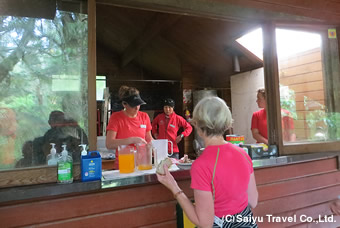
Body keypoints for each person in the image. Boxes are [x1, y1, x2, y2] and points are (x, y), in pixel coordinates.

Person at [157, 96, 258, 227]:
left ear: (198, 125)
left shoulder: (201, 165)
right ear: (226, 122)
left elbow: (205, 223)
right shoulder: (243, 154)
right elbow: (253, 201)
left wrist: (174, 187)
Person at [106, 85, 153, 169]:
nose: (137, 108)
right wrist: (133, 140)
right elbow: (109, 144)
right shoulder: (116, 118)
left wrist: (156, 147)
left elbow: (149, 138)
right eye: (133, 105)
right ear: (124, 104)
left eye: (138, 104)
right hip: (123, 166)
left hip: (142, 164)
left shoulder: (144, 116)